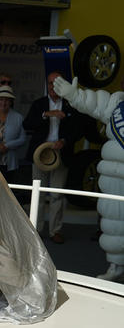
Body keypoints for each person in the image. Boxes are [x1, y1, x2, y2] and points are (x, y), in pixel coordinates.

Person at [53, 74, 124, 281]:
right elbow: (94, 104)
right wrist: (74, 95)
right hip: (115, 178)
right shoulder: (117, 106)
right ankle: (116, 266)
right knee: (115, 221)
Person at [23, 71, 86, 244]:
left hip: (61, 153)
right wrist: (46, 114)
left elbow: (79, 130)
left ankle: (55, 231)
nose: (52, 87)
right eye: (50, 83)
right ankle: (35, 230)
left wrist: (64, 141)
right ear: (47, 85)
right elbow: (27, 125)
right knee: (38, 194)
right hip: (40, 153)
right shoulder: (39, 104)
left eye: (56, 83)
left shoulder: (71, 104)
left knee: (57, 194)